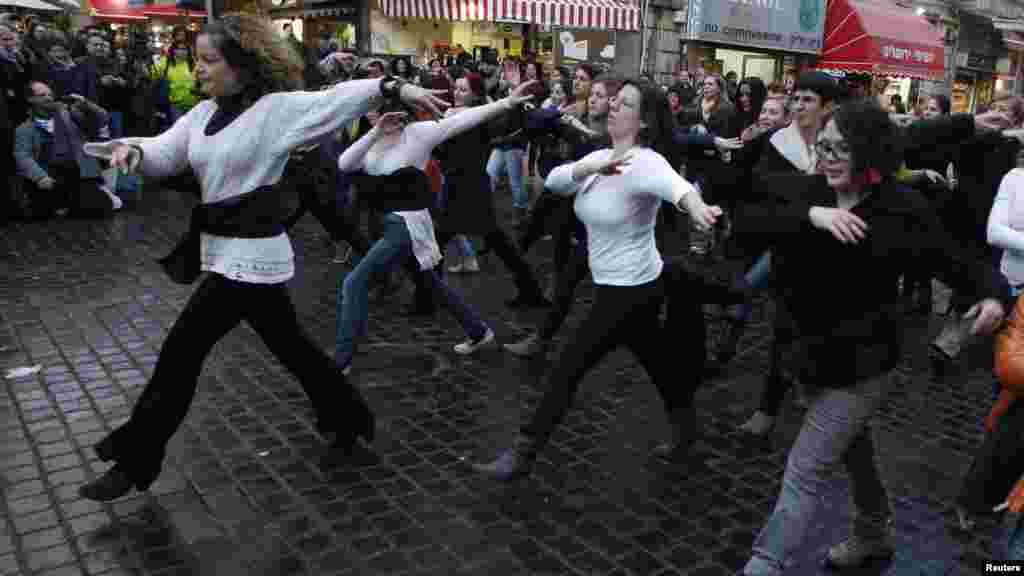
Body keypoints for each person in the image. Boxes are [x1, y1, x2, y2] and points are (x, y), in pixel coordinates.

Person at [74, 13, 451, 502]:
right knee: (293, 349)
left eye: (209, 60)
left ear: (242, 65)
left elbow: (337, 99)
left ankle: (135, 462)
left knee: (179, 356)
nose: (200, 68)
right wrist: (132, 150)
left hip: (248, 262)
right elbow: (166, 153)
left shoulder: (275, 111)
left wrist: (394, 88)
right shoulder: (202, 115)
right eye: (197, 58)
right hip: (228, 256)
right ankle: (348, 418)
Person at [735, 98, 1009, 574]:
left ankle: (766, 563)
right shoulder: (810, 190)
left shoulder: (902, 209)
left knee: (805, 470)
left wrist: (990, 296)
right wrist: (812, 217)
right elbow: (748, 218)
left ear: (868, 151)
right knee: (856, 450)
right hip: (807, 357)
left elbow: (956, 261)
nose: (829, 156)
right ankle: (874, 532)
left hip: (863, 366)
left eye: (842, 147)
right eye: (824, 146)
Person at [474, 79, 721, 481]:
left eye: (625, 104)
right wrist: (591, 165)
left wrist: (698, 208)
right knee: (660, 367)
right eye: (615, 100)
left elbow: (677, 189)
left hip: (629, 293)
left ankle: (523, 453)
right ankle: (687, 431)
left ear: (642, 122)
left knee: (566, 368)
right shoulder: (602, 156)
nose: (614, 107)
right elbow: (556, 181)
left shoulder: (647, 162)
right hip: (621, 286)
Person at [333, 79, 539, 374]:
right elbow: (344, 164)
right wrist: (376, 132)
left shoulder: (417, 135)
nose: (373, 114)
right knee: (430, 282)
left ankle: (341, 362)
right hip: (392, 224)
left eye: (377, 110)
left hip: (407, 226)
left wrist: (506, 103)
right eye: (371, 111)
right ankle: (479, 332)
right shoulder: (371, 141)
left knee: (354, 283)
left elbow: (463, 120)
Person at [14, 82, 121, 218]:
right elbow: (22, 156)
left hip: (77, 174)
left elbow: (102, 118)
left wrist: (85, 103)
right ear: (31, 99)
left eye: (50, 95)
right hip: (49, 177)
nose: (48, 98)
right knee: (38, 212)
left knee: (101, 207)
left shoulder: (69, 115)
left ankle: (71, 204)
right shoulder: (24, 129)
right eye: (42, 95)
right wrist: (40, 176)